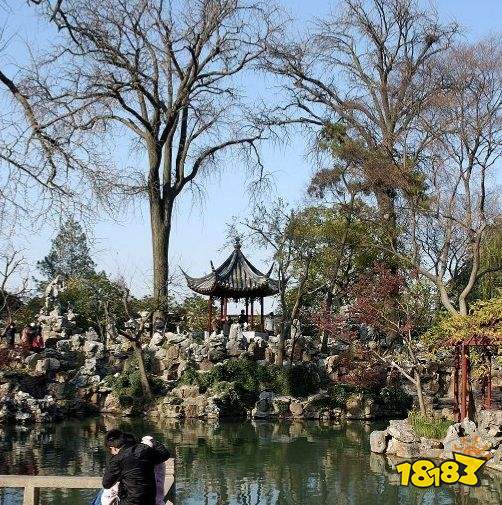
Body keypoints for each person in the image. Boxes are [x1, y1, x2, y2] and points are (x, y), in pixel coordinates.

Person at [100, 429, 170, 505]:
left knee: (102, 495)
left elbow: (106, 484)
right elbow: (165, 454)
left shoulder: (118, 459)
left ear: (112, 448)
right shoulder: (145, 450)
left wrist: (111, 463)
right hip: (150, 501)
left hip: (129, 502)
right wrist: (152, 441)